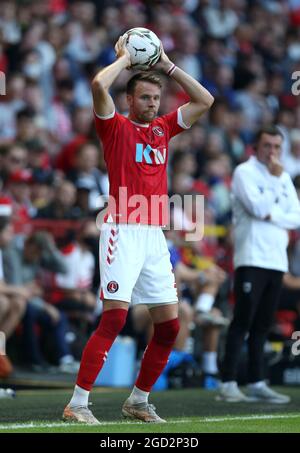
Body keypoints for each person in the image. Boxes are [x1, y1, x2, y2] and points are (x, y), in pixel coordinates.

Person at [63, 33, 214, 424]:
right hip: (122, 229)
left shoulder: (164, 128)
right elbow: (98, 84)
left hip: (153, 235)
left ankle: (138, 400)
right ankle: (78, 403)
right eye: (145, 98)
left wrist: (167, 67)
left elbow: (205, 101)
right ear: (129, 99)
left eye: (156, 98)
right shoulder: (113, 128)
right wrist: (125, 61)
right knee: (114, 319)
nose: (152, 104)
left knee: (170, 326)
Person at [219, 126, 300, 403]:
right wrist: (276, 195)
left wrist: (272, 212)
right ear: (256, 146)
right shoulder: (245, 172)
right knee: (242, 320)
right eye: (268, 146)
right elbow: (257, 209)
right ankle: (228, 382)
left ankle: (257, 381)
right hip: (251, 257)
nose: (273, 152)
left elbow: (297, 217)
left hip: (276, 261)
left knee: (263, 324)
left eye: (277, 147)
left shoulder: (283, 176)